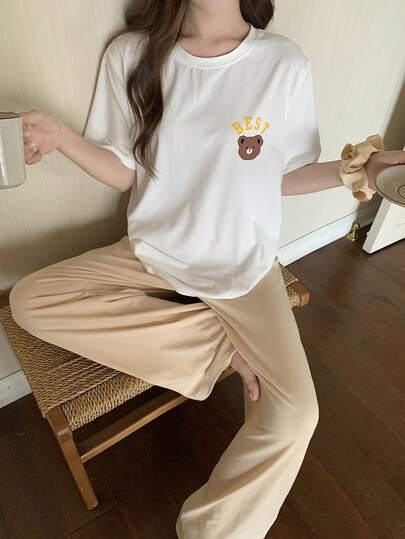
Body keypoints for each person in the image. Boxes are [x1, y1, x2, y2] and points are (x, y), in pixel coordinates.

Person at [9, 1, 405, 537]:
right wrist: (62, 138)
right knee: (31, 301)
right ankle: (221, 348)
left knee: (294, 416)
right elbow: (126, 172)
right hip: (152, 255)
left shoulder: (282, 62)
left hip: (244, 268)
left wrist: (362, 171)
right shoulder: (132, 55)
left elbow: (284, 174)